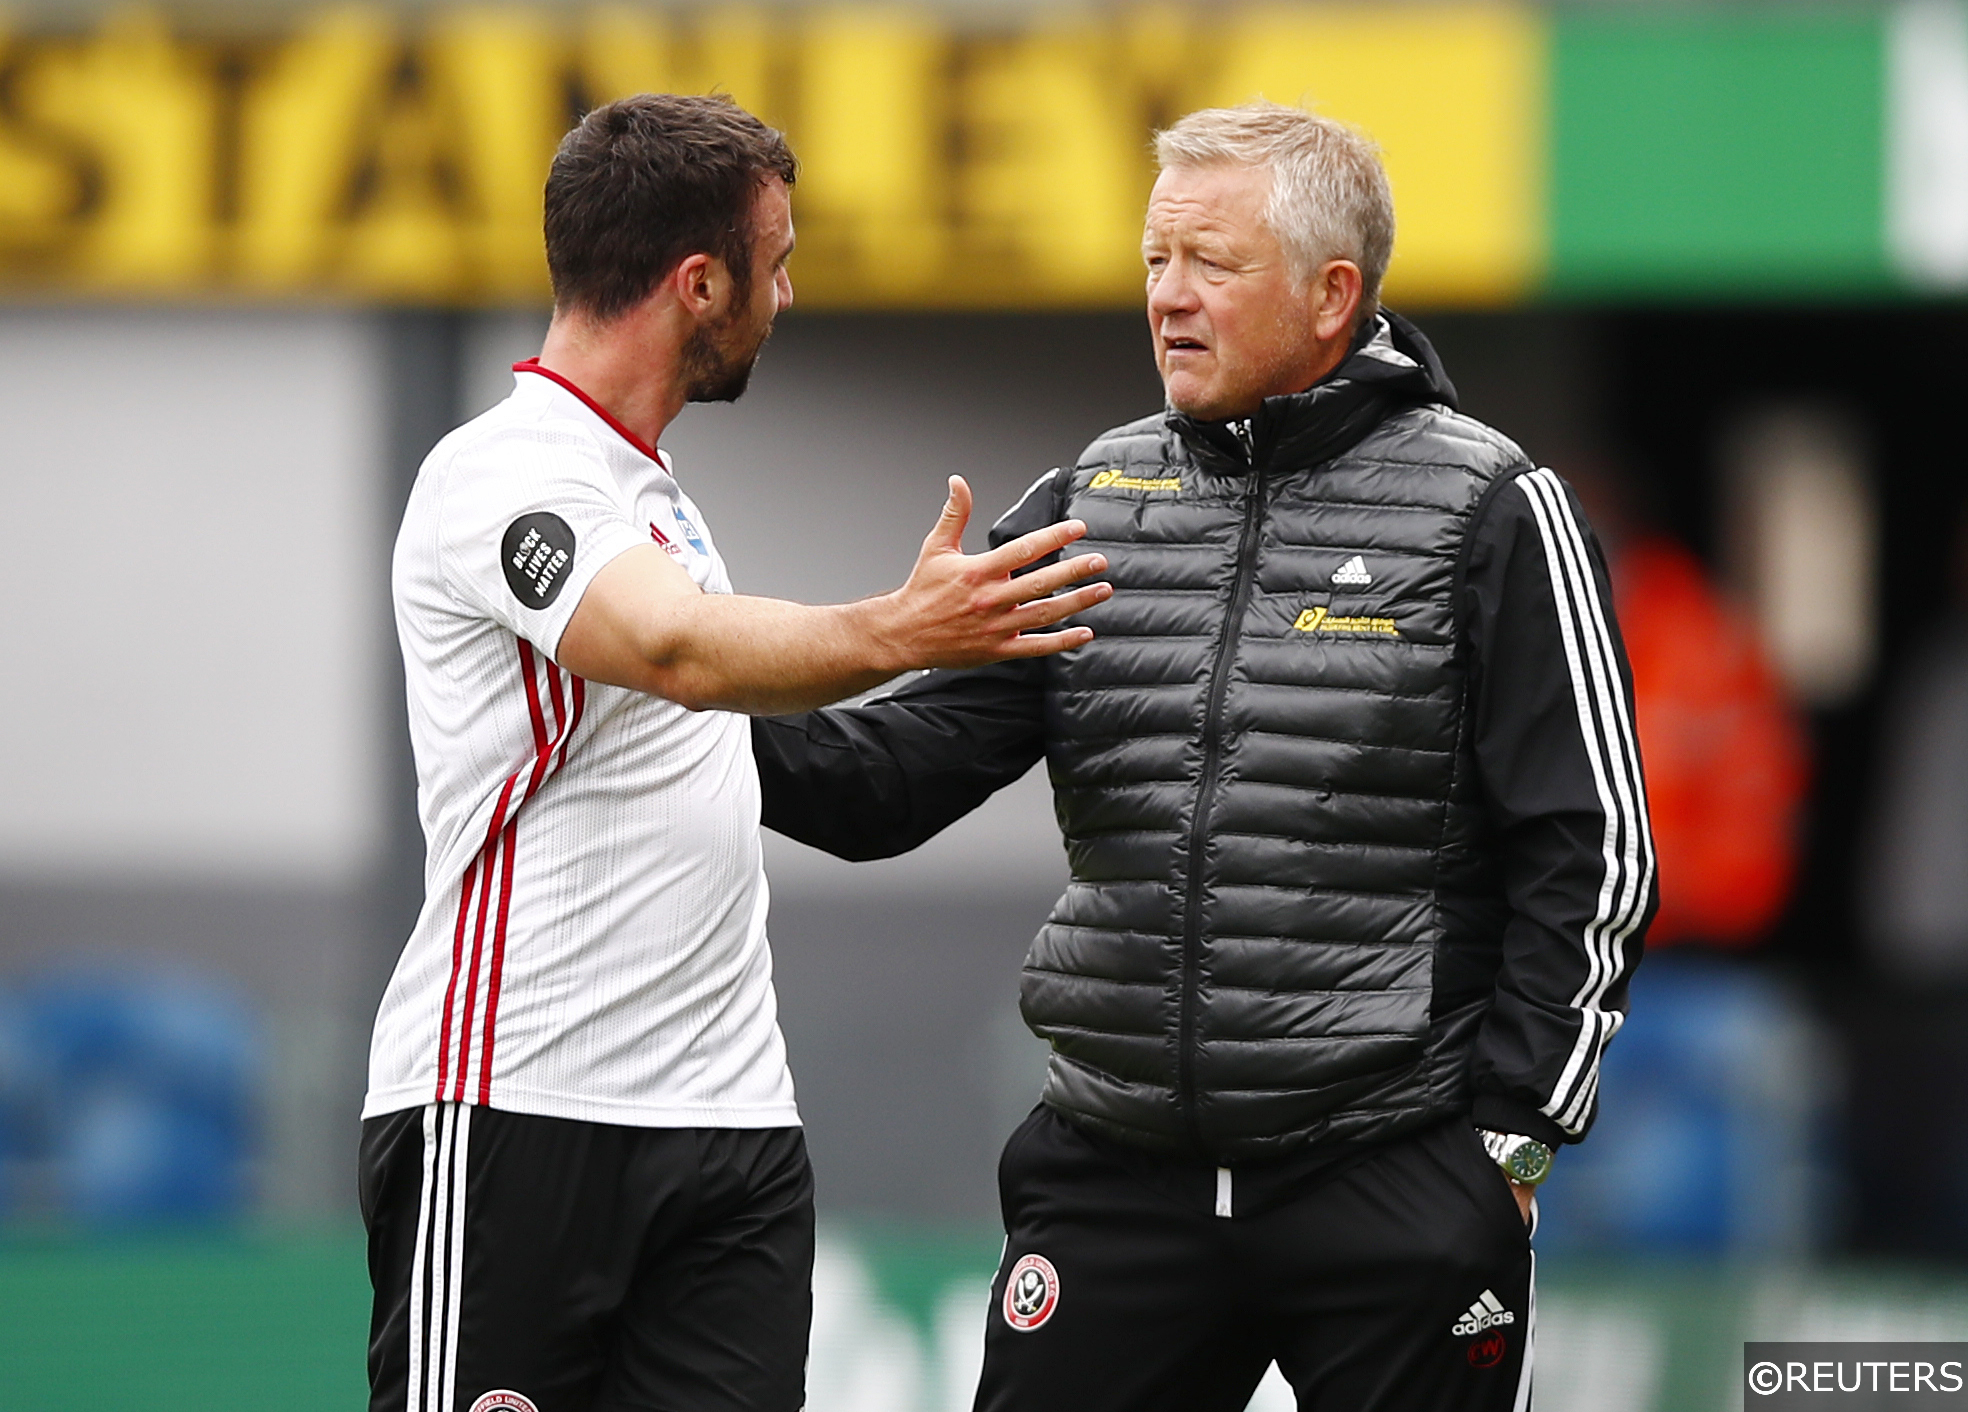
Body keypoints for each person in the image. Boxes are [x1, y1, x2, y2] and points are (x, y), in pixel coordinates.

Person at [754, 102, 1657, 1412]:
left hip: (1394, 1178)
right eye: (1153, 262)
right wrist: (669, 694)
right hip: (1116, 1177)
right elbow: (890, 783)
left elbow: (1596, 855)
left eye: (1210, 265)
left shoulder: (1497, 508)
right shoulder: (1088, 505)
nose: (1167, 299)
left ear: (1332, 292)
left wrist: (1508, 1149)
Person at [359, 93, 1109, 1412]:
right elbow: (673, 651)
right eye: (780, 259)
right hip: (518, 1110)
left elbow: (822, 766)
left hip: (730, 1132)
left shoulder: (657, 500)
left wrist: (1023, 664)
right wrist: (900, 626)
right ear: (699, 284)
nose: (791, 289)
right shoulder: (502, 477)